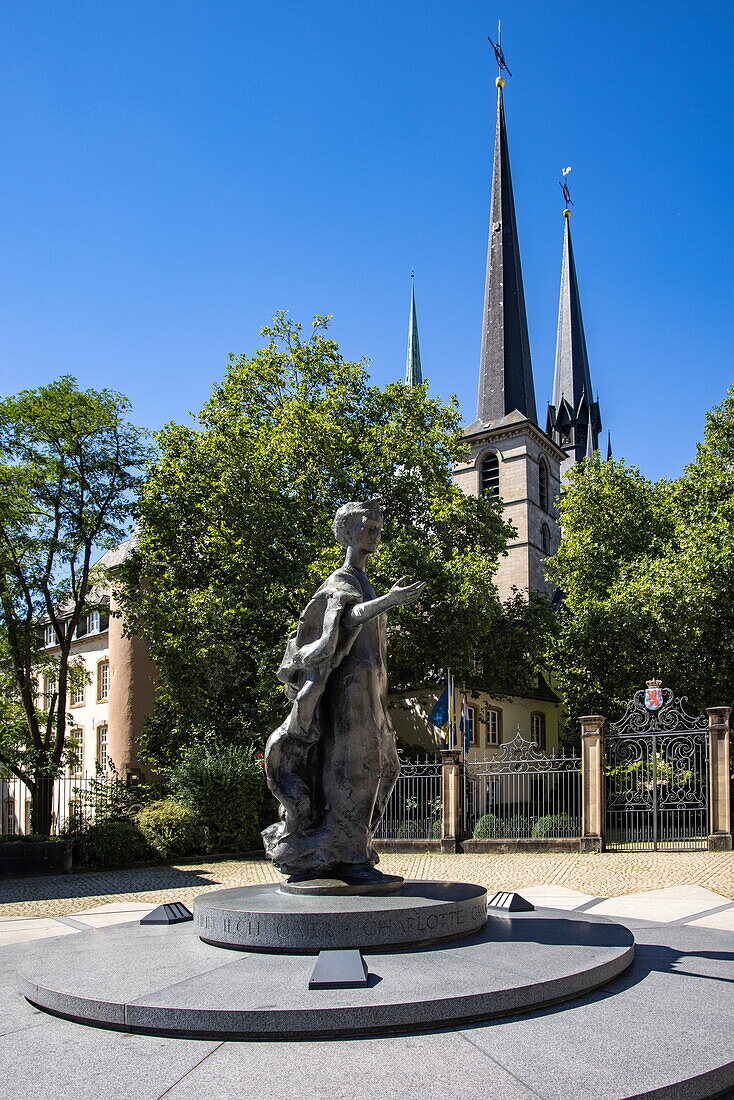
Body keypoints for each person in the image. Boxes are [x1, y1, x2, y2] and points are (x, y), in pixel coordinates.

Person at [262, 500, 425, 882]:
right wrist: (389, 600)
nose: (377, 531)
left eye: (380, 526)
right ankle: (351, 859)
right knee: (355, 768)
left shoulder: (363, 581)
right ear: (349, 531)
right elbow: (341, 620)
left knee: (384, 766)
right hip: (349, 692)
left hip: (371, 688)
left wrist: (384, 600)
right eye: (370, 525)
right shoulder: (342, 580)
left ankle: (351, 848)